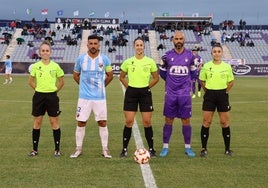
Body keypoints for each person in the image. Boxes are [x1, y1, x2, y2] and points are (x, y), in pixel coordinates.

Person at [70, 35, 113, 159]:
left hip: (99, 98)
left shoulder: (104, 59)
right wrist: (83, 87)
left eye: (95, 43)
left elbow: (110, 75)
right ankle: (78, 148)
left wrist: (101, 87)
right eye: (91, 43)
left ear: (99, 45)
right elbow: (76, 75)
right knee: (81, 122)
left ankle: (105, 149)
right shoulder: (81, 59)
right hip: (84, 98)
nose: (93, 46)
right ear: (87, 45)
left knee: (102, 122)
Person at [119, 37, 159, 158]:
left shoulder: (150, 61)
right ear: (134, 47)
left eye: (141, 45)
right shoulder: (128, 61)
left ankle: (151, 149)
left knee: (147, 121)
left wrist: (147, 87)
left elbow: (156, 78)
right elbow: (121, 77)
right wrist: (129, 87)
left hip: (145, 93)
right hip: (131, 93)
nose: (139, 47)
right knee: (129, 121)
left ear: (144, 47)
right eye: (137, 45)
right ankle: (124, 149)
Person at [159, 31, 196, 157]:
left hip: (185, 94)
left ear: (184, 40)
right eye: (176, 39)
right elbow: (163, 73)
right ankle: (165, 147)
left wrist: (184, 85)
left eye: (181, 38)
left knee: (186, 120)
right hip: (171, 94)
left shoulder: (191, 56)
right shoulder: (166, 56)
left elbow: (194, 74)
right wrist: (171, 83)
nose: (178, 41)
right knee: (168, 119)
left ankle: (188, 147)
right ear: (173, 40)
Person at [28, 41, 64, 157]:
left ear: (50, 52)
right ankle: (34, 150)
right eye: (43, 50)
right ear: (39, 52)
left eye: (47, 50)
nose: (45, 52)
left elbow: (61, 82)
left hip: (52, 97)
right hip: (38, 96)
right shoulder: (35, 66)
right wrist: (38, 89)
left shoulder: (55, 66)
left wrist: (54, 91)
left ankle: (57, 150)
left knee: (54, 122)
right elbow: (31, 81)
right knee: (37, 122)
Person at [199, 43, 234, 157]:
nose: (217, 53)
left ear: (222, 53)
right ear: (211, 53)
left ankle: (227, 149)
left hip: (222, 95)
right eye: (215, 51)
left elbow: (231, 82)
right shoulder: (206, 66)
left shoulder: (227, 67)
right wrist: (208, 91)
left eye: (219, 51)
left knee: (224, 122)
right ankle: (204, 149)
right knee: (206, 122)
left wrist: (224, 92)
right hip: (209, 95)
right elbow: (202, 81)